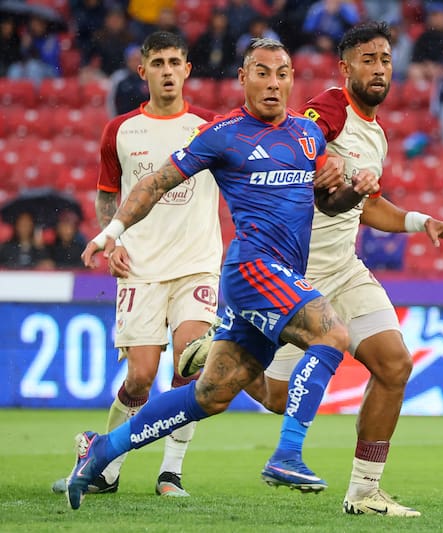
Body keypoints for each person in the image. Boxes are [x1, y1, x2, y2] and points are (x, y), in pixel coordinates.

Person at [65, 37, 378, 511]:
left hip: (277, 274)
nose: (273, 83)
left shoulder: (308, 135)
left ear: (292, 79)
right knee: (332, 335)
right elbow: (154, 183)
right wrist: (113, 230)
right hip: (252, 268)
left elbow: (325, 203)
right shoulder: (222, 133)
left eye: (282, 74)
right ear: (243, 78)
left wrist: (354, 191)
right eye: (262, 73)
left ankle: (102, 447)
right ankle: (288, 453)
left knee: (209, 394)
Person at [179, 21, 443, 517]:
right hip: (297, 273)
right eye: (367, 60)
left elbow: (367, 206)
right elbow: (296, 145)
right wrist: (320, 173)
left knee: (395, 365)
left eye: (384, 59)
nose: (378, 69)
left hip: (346, 268)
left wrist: (423, 222)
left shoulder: (374, 133)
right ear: (346, 68)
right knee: (275, 397)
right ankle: (214, 349)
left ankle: (364, 492)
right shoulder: (330, 109)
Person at [50, 31, 223, 500]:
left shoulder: (211, 127)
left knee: (191, 364)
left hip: (197, 265)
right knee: (140, 378)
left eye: (175, 62)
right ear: (142, 70)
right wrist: (113, 241)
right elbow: (109, 196)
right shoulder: (120, 130)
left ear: (188, 70)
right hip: (141, 268)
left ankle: (171, 472)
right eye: (158, 62)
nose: (167, 71)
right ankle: (104, 464)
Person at [190, 8, 238, 79]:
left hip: (224, 70)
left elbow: (233, 58)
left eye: (221, 20)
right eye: (216, 19)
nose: (218, 23)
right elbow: (197, 56)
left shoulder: (230, 39)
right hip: (206, 69)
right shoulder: (204, 39)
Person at [107, 44, 148, 117]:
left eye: (140, 60)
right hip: (126, 120)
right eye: (134, 60)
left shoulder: (150, 79)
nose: (138, 63)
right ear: (128, 61)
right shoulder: (119, 79)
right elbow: (112, 103)